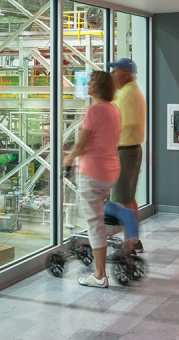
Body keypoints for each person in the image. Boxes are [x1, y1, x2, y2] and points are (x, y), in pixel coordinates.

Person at [64, 70, 122, 288]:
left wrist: (69, 158)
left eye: (91, 81)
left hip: (92, 173)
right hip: (111, 171)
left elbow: (82, 143)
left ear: (99, 87)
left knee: (94, 223)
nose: (87, 83)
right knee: (98, 217)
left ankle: (99, 275)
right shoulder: (114, 109)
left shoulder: (93, 110)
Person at [108, 58, 146, 252]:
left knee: (123, 199)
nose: (113, 75)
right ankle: (135, 239)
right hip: (131, 150)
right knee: (128, 198)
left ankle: (128, 244)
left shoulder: (127, 95)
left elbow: (116, 124)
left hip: (126, 151)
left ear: (127, 74)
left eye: (116, 71)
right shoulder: (127, 92)